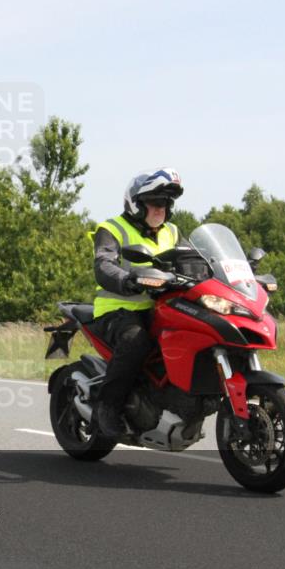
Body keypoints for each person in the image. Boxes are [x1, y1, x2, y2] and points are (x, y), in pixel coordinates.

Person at [91, 168, 184, 439]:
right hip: (118, 310)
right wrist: (129, 280)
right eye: (155, 203)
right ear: (136, 203)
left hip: (160, 308)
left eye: (166, 203)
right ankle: (107, 406)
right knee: (136, 341)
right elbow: (104, 266)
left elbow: (197, 262)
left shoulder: (173, 232)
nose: (161, 209)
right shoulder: (112, 229)